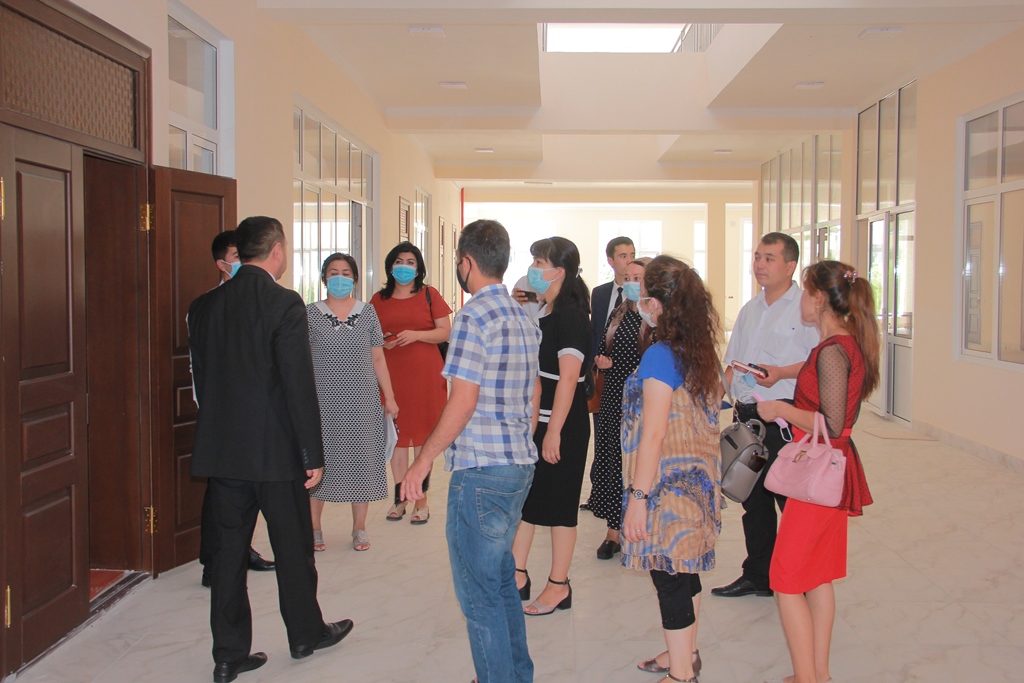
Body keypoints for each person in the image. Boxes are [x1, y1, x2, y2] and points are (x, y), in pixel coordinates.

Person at [188, 216, 352, 683]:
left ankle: (228, 656)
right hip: (277, 454)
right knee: (293, 548)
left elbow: (204, 379)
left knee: (228, 555)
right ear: (277, 250)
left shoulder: (203, 306)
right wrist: (313, 454)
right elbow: (297, 383)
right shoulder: (284, 302)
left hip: (223, 453)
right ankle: (305, 635)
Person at [400, 219, 541, 683]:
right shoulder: (522, 315)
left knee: (479, 597)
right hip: (518, 464)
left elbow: (462, 401)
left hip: (481, 471)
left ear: (467, 262)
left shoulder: (473, 317)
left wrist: (422, 462)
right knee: (500, 581)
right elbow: (534, 391)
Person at [755, 261, 877, 683]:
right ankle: (817, 674)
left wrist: (781, 409)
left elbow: (834, 424)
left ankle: (808, 678)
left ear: (820, 299)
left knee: (786, 580)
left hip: (820, 475)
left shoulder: (833, 351)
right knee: (817, 577)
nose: (802, 300)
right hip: (831, 472)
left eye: (806, 292)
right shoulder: (839, 344)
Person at [623, 255, 723, 683]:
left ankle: (681, 675)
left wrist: (638, 499)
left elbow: (654, 434)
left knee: (669, 577)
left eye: (645, 294)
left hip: (667, 489)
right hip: (699, 483)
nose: (640, 301)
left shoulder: (661, 356)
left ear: (660, 304)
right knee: (686, 569)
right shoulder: (700, 351)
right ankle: (686, 653)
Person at [712, 233, 819, 599]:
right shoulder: (750, 309)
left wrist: (781, 373)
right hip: (748, 420)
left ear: (790, 266)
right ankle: (758, 576)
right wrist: (713, 402)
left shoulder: (805, 309)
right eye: (757, 256)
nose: (759, 264)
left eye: (769, 258)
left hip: (785, 421)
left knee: (790, 503)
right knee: (753, 502)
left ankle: (800, 579)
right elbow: (733, 363)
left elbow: (819, 360)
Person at [512, 237, 592, 616]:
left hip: (563, 424)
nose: (532, 269)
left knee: (560, 507)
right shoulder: (546, 310)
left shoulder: (571, 317)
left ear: (559, 271)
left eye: (539, 263)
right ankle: (516, 574)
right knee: (529, 501)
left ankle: (559, 585)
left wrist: (554, 431)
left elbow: (569, 378)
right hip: (540, 420)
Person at [198, 230, 275, 587]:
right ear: (222, 264)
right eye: (235, 256)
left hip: (255, 418)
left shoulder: (266, 302)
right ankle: (214, 562)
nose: (243, 262)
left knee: (248, 495)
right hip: (221, 418)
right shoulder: (206, 306)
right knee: (221, 497)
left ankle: (243, 551)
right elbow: (199, 366)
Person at [307, 253, 399, 551]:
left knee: (362, 462)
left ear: (355, 279)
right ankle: (314, 527)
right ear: (324, 278)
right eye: (333, 272)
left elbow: (378, 358)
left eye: (346, 273)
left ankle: (359, 527)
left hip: (362, 402)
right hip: (322, 403)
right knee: (320, 463)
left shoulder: (367, 312)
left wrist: (390, 397)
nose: (339, 278)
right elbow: (302, 359)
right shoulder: (310, 313)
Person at [370, 241, 451, 525]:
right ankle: (400, 498)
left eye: (410, 262)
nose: (404, 267)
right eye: (399, 262)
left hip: (426, 376)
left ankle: (421, 500)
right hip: (391, 376)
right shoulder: (378, 300)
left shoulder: (430, 294)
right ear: (390, 266)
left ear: (418, 269)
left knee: (423, 438)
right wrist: (384, 342)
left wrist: (417, 335)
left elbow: (444, 332)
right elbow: (371, 336)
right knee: (398, 438)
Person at [590, 258, 647, 560]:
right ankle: (613, 531)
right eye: (628, 278)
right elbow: (603, 346)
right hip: (614, 395)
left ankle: (641, 528)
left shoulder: (657, 317)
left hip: (644, 400)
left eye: (638, 278)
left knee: (640, 464)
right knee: (613, 461)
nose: (632, 283)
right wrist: (603, 360)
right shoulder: (619, 312)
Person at [582, 236, 636, 510]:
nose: (628, 261)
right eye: (623, 256)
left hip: (630, 374)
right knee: (602, 435)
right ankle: (599, 493)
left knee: (627, 437)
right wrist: (591, 367)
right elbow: (595, 331)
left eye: (632, 255)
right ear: (611, 261)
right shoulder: (600, 293)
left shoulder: (640, 296)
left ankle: (626, 493)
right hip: (602, 374)